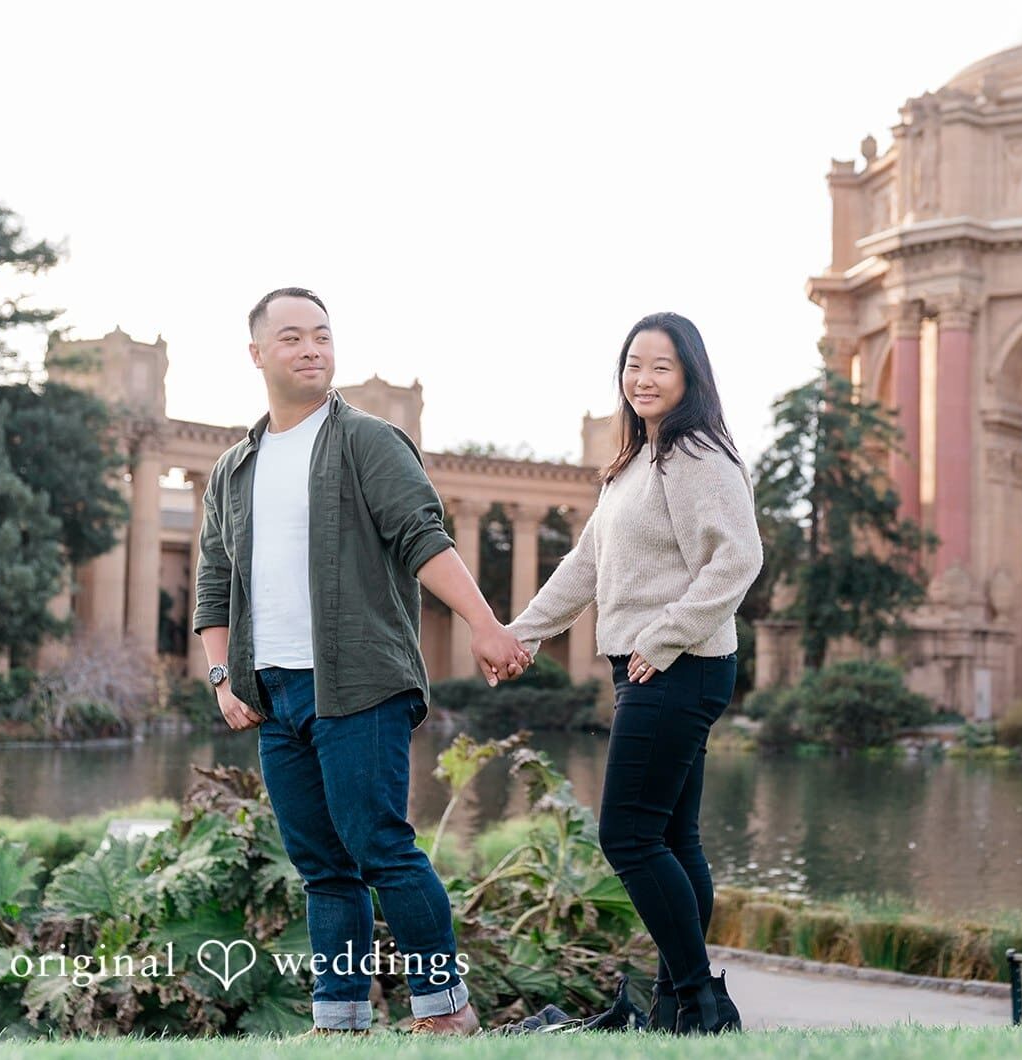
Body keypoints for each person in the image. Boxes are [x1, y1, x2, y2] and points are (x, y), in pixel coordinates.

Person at [193, 287, 532, 1036]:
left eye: (321, 334)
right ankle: (339, 1019)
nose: (311, 347)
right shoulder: (233, 470)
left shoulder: (367, 441)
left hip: (360, 684)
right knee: (321, 867)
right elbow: (213, 581)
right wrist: (222, 677)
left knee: (381, 847)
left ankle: (446, 1012)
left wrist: (484, 623)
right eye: (291, 337)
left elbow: (422, 537)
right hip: (272, 693)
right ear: (257, 355)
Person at [507, 311, 763, 1035]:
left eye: (660, 367)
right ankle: (677, 1007)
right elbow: (585, 564)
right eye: (632, 365)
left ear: (689, 378)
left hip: (676, 667)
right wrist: (521, 635)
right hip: (655, 666)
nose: (643, 379)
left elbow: (738, 557)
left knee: (626, 835)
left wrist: (669, 632)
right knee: (673, 839)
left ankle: (700, 1002)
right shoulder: (634, 463)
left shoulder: (695, 456)